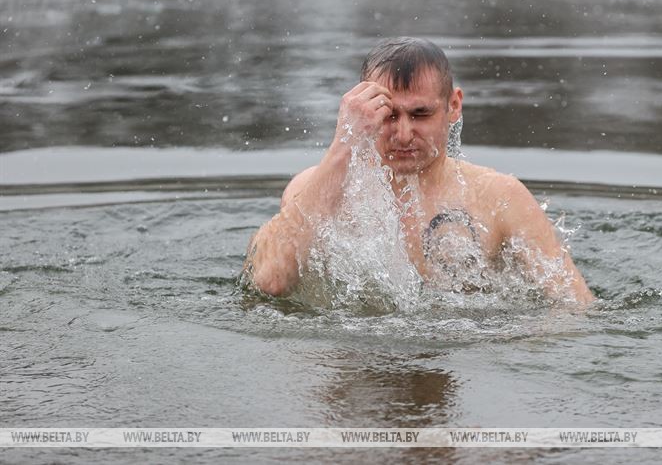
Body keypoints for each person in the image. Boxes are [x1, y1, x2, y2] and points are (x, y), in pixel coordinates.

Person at [244, 37, 595, 303]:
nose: (403, 134)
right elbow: (270, 282)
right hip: (353, 360)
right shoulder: (316, 187)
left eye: (420, 114)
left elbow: (574, 307)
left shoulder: (498, 197)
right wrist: (344, 141)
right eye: (388, 115)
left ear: (453, 106)